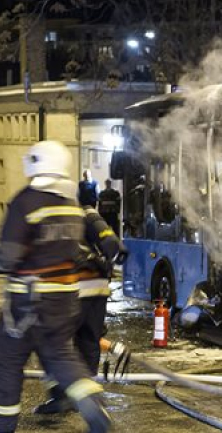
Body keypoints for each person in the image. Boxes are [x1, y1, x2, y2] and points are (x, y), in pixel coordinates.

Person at [0, 140, 111, 433]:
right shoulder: (71, 206)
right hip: (65, 299)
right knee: (61, 357)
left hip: (27, 302)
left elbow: (8, 257)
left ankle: (4, 423)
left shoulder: (26, 201)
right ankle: (92, 402)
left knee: (8, 362)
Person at [34, 206, 129, 415]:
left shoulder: (50, 214)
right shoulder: (88, 214)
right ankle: (89, 400)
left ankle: (61, 397)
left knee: (55, 342)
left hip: (74, 287)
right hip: (99, 286)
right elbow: (114, 247)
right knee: (89, 340)